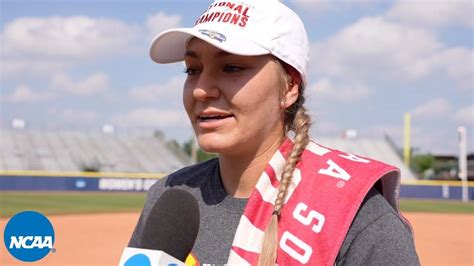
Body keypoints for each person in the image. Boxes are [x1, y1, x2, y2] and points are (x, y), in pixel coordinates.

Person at [129, 0, 420, 265]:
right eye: (192, 70)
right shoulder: (168, 197)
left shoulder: (358, 216)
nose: (202, 89)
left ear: (290, 87)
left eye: (231, 67)